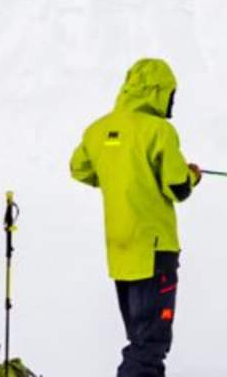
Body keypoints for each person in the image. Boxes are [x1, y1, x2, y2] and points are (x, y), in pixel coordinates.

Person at [70, 58, 201, 377]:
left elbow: (79, 168)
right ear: (158, 92)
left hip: (120, 249)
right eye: (171, 94)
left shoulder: (97, 129)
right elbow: (178, 187)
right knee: (151, 342)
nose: (172, 102)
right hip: (155, 248)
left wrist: (119, 175)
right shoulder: (159, 130)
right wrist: (192, 175)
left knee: (140, 336)